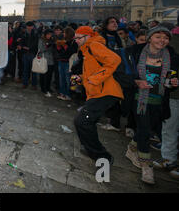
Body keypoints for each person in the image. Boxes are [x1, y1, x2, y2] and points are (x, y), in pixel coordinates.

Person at [125, 26, 178, 184]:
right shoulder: (134, 52)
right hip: (138, 99)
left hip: (159, 100)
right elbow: (125, 73)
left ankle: (132, 148)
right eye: (158, 37)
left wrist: (174, 83)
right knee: (143, 128)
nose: (162, 40)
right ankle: (146, 165)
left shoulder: (172, 57)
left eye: (166, 38)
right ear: (149, 38)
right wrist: (136, 81)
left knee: (149, 129)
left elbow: (171, 81)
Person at [73, 26, 123, 166]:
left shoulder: (94, 45)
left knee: (82, 120)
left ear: (88, 36)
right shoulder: (87, 50)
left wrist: (95, 79)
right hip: (98, 92)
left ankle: (103, 157)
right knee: (86, 121)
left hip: (106, 92)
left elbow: (115, 60)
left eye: (79, 38)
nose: (76, 40)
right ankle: (89, 148)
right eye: (75, 38)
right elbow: (93, 72)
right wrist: (81, 78)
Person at [152, 20, 179, 180]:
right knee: (169, 126)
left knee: (169, 127)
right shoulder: (172, 43)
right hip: (173, 94)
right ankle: (169, 158)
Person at [56, 27, 77, 101]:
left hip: (68, 63)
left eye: (64, 33)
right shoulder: (64, 41)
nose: (63, 34)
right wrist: (58, 47)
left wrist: (65, 46)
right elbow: (61, 52)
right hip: (61, 61)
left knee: (68, 79)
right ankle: (62, 93)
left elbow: (72, 52)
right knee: (61, 79)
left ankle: (68, 94)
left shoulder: (74, 42)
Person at [19, 21, 39, 90]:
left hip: (33, 54)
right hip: (25, 54)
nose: (29, 27)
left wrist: (29, 48)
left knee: (34, 70)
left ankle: (34, 84)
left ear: (33, 27)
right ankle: (25, 83)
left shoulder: (36, 34)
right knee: (25, 70)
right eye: (28, 26)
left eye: (30, 26)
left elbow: (36, 44)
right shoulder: (24, 33)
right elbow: (21, 42)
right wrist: (21, 46)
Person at [38, 29, 55, 97]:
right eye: (48, 34)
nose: (49, 36)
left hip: (51, 60)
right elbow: (40, 49)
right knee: (43, 75)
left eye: (50, 34)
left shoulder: (52, 40)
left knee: (49, 75)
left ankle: (48, 87)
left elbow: (53, 50)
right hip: (43, 59)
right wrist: (47, 46)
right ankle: (43, 88)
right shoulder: (41, 40)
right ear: (45, 34)